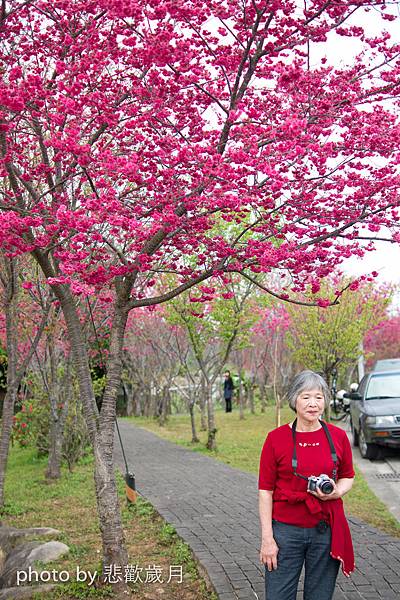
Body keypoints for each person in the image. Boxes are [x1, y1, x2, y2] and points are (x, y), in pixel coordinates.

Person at [258, 370, 355, 600]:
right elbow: (265, 492)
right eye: (306, 397)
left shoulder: (338, 437)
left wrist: (336, 492)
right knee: (278, 595)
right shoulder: (276, 439)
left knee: (320, 596)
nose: (313, 404)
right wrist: (267, 539)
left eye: (319, 397)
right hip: (285, 532)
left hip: (324, 530)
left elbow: (348, 476)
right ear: (294, 400)